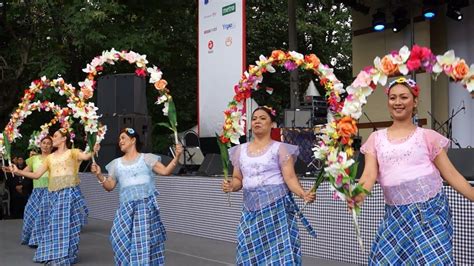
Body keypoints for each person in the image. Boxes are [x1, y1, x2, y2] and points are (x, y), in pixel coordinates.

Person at [355, 77, 474, 265]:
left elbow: (450, 174)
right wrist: (357, 195)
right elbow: (368, 175)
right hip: (395, 216)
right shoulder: (376, 139)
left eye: (404, 97)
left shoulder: (427, 137)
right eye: (392, 98)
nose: (398, 102)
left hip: (430, 213)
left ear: (415, 101)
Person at [221, 106, 316, 265]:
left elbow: (290, 178)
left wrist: (303, 193)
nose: (257, 121)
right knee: (248, 251)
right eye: (255, 118)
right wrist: (231, 185)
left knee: (279, 254)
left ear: (272, 124)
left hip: (276, 208)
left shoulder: (280, 148)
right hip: (250, 210)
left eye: (263, 118)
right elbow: (238, 178)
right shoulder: (240, 150)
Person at [5, 128, 99, 264]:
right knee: (55, 226)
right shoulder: (50, 158)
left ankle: (66, 255)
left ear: (63, 138)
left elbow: (86, 156)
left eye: (55, 136)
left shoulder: (73, 152)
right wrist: (18, 171)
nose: (52, 139)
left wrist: (93, 147)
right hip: (53, 195)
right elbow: (36, 175)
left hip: (69, 195)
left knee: (68, 226)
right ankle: (55, 253)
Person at [90, 127, 183, 265]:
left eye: (123, 138)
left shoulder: (146, 158)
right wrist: (98, 174)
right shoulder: (116, 164)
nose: (120, 141)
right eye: (119, 139)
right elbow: (109, 186)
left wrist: (177, 156)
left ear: (133, 140)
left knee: (143, 246)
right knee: (118, 240)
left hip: (144, 210)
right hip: (125, 210)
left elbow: (165, 171)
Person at [21, 135, 53, 247]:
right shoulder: (33, 159)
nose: (46, 145)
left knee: (45, 216)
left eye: (49, 143)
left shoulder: (55, 158)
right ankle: (31, 237)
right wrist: (12, 170)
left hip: (51, 191)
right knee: (30, 213)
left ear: (52, 146)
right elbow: (24, 172)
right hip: (37, 191)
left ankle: (42, 240)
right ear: (40, 144)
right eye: (44, 143)